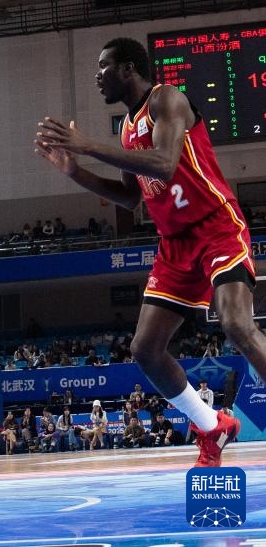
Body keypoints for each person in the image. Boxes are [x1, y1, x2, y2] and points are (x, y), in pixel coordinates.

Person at [36, 36, 261, 467]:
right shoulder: (125, 128)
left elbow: (164, 163)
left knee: (236, 324)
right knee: (145, 349)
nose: (97, 76)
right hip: (174, 244)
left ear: (128, 69)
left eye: (104, 66)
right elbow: (128, 199)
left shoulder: (166, 99)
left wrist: (87, 145)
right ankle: (212, 426)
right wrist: (75, 171)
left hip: (215, 226)